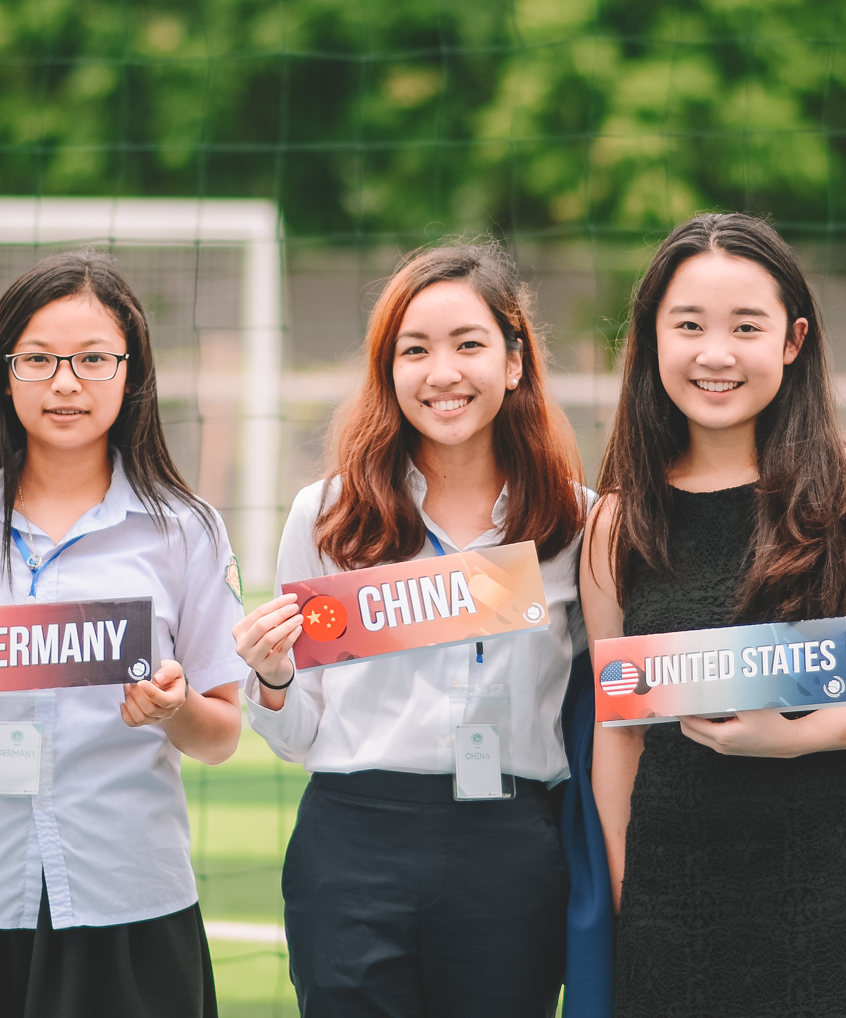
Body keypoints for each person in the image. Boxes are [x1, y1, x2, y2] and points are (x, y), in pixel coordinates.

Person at [580, 211, 846, 1018]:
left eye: (746, 326)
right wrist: (625, 886)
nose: (716, 354)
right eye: (689, 326)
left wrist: (798, 734)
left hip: (827, 871)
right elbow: (621, 729)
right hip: (670, 886)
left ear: (792, 340)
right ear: (650, 341)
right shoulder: (616, 520)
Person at [0, 251, 246, 1018]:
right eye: (39, 359)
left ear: (132, 371)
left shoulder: (187, 532)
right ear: (2, 375)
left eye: (93, 359)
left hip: (127, 890)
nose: (66, 382)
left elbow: (220, 734)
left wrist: (172, 709)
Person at [232, 241, 590, 1017]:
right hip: (354, 846)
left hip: (512, 848)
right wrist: (271, 677)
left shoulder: (578, 523)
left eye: (469, 344)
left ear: (515, 360)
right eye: (414, 350)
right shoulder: (326, 516)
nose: (442, 373)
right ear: (388, 371)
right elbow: (298, 734)